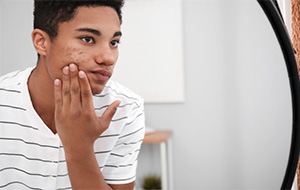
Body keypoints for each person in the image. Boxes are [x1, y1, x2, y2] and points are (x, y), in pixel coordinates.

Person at [0, 0, 145, 189]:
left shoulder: (126, 108)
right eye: (88, 39)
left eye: (114, 42)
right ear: (41, 42)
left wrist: (79, 148)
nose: (108, 58)